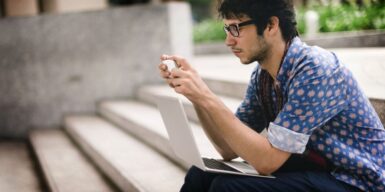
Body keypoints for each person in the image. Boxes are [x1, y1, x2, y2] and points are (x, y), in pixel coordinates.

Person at [158, 0, 385, 191]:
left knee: (227, 187)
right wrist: (197, 96)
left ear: (271, 25)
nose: (229, 40)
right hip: (316, 168)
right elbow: (228, 149)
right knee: (201, 174)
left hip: (355, 180)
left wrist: (206, 95)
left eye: (236, 28)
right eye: (227, 29)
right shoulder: (264, 76)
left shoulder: (316, 70)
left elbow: (267, 161)